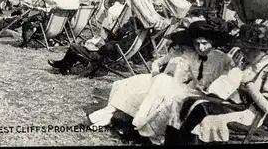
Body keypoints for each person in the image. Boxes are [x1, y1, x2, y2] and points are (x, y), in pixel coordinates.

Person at [88, 20, 232, 144]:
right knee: (159, 84)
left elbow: (224, 82)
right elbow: (182, 74)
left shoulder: (222, 59)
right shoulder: (192, 55)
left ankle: (144, 130)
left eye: (204, 44)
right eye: (197, 43)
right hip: (185, 87)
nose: (200, 47)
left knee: (164, 90)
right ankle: (123, 119)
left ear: (212, 42)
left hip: (202, 94)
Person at [168, 22, 268, 144]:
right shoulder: (248, 63)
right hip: (234, 104)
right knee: (189, 102)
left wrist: (249, 84)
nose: (243, 52)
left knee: (200, 110)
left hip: (250, 114)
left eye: (246, 49)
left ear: (259, 50)